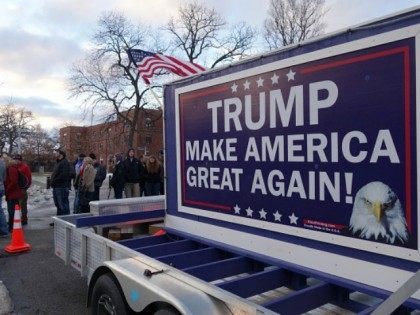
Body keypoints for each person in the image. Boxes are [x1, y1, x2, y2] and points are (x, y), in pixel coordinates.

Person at [50, 149, 72, 223]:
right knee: (58, 205)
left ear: (61, 154)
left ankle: (66, 221)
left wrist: (54, 180)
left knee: (63, 205)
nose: (55, 153)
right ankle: (59, 221)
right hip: (56, 187)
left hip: (61, 187)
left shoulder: (64, 162)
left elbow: (63, 175)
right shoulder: (58, 162)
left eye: (56, 152)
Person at [4, 156, 24, 232]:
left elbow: (14, 182)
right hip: (13, 193)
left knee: (12, 211)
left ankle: (12, 227)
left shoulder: (11, 169)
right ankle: (12, 226)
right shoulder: (12, 168)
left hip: (13, 193)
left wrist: (7, 189)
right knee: (12, 210)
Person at [14, 154, 32, 225]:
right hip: (15, 190)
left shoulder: (25, 167)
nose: (16, 161)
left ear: (20, 160)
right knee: (16, 205)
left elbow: (29, 179)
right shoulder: (14, 167)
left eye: (17, 159)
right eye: (15, 159)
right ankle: (17, 218)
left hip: (22, 190)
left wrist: (24, 188)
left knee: (23, 205)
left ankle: (24, 219)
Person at [0, 154, 9, 237]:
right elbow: (5, 177)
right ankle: (3, 230)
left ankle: (3, 231)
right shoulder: (3, 163)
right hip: (1, 187)